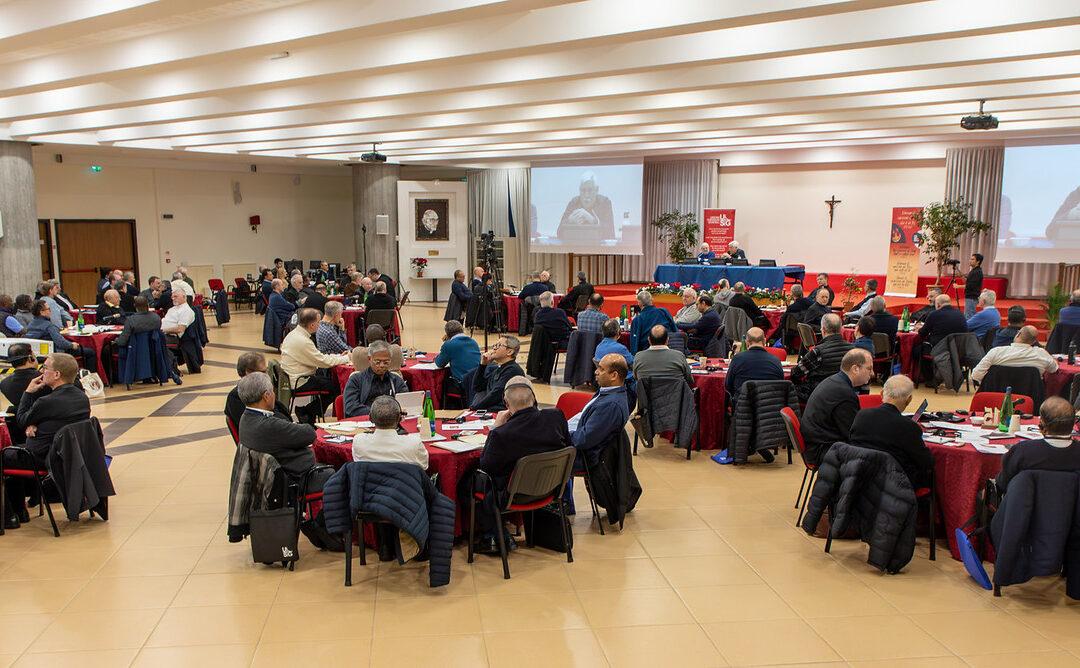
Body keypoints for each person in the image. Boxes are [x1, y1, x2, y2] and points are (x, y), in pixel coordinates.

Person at [474, 381, 570, 552]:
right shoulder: (556, 417)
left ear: (506, 404)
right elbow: (568, 445)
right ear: (534, 399)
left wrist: (496, 427)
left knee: (468, 483)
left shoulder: (502, 434)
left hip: (514, 496)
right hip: (552, 489)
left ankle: (495, 536)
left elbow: (486, 466)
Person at [5, 353, 90, 529]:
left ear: (57, 374)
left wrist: (28, 392)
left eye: (45, 368)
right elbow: (56, 419)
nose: (41, 372)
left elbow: (21, 419)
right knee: (14, 451)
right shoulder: (82, 398)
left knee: (5, 453)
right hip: (69, 453)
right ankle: (20, 510)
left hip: (44, 458)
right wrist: (35, 423)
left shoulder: (46, 401)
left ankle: (12, 515)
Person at [236, 372, 331, 495]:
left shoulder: (245, 418)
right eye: (273, 390)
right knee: (340, 474)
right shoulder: (270, 425)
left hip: (266, 480)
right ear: (266, 396)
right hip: (293, 481)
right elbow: (309, 433)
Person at [849, 374, 933, 489]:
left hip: (860, 478)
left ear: (882, 393)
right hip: (896, 486)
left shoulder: (861, 415)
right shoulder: (909, 427)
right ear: (909, 400)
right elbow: (926, 462)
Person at [801, 348, 874, 465]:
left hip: (817, 444)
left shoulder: (835, 381)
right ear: (855, 369)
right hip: (822, 450)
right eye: (869, 369)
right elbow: (852, 434)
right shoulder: (844, 393)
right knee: (880, 458)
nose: (872, 373)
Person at [995, 397, 1080, 494]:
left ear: (1041, 426)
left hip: (1024, 507)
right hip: (1071, 507)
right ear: (1073, 424)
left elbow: (1002, 484)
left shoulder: (1023, 451)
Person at [280, 308, 351, 421]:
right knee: (335, 388)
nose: (320, 324)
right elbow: (323, 362)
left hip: (295, 375)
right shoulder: (303, 341)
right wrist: (347, 358)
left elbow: (318, 357)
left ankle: (308, 413)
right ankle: (307, 412)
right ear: (312, 325)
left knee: (326, 380)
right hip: (300, 380)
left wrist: (339, 357)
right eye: (319, 322)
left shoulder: (294, 334)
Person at [569, 353, 630, 466]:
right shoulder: (608, 391)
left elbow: (584, 439)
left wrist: (560, 435)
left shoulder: (611, 406)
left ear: (614, 376)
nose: (596, 372)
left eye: (601, 369)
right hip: (577, 439)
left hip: (583, 456)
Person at [352, 396, 429, 468]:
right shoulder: (413, 444)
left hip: (368, 482)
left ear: (370, 418)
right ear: (399, 419)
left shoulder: (359, 441)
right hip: (403, 482)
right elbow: (424, 466)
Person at [791, 314, 853, 403]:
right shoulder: (853, 349)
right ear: (841, 329)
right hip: (845, 394)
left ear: (823, 330)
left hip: (817, 395)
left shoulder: (817, 351)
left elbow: (797, 373)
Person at [24, 299, 97, 372]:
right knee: (90, 352)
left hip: (38, 355)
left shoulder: (30, 325)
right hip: (56, 354)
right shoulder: (49, 326)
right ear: (42, 312)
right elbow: (61, 343)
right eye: (48, 309)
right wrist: (72, 345)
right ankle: (91, 377)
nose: (50, 311)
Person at [225, 352, 290, 430]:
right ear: (248, 373)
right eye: (262, 372)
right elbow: (254, 427)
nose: (267, 375)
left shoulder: (260, 389)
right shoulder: (236, 397)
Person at [971, 325, 1059, 382]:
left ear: (1018, 334)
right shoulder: (1041, 354)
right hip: (1030, 399)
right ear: (1034, 341)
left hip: (998, 398)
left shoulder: (996, 352)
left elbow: (976, 375)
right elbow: (1054, 369)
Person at [343, 341, 409, 417]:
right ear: (369, 359)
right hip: (366, 420)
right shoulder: (356, 380)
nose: (382, 365)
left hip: (391, 422)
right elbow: (351, 408)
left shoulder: (396, 380)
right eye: (377, 362)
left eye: (386, 362)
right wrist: (381, 412)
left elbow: (405, 405)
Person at [725, 326, 784, 406]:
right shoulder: (776, 361)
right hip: (769, 408)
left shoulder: (737, 359)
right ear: (765, 341)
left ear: (747, 342)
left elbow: (728, 386)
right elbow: (781, 386)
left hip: (743, 408)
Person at [468, 336, 525, 411]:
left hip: (503, 413)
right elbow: (477, 387)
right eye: (494, 345)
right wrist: (483, 365)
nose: (494, 348)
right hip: (492, 411)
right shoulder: (499, 369)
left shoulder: (513, 370)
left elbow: (496, 394)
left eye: (498, 345)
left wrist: (474, 408)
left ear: (510, 352)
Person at [557, 171, 615, 241]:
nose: (586, 195)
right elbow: (559, 233)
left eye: (590, 190)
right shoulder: (574, 203)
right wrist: (569, 221)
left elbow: (611, 234)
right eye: (583, 191)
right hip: (576, 248)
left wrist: (593, 221)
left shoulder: (605, 203)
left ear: (597, 190)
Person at [1, 343, 38, 445]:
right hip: (42, 432)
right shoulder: (43, 380)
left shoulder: (4, 384)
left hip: (17, 435)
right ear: (31, 358)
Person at [434, 319, 481, 384]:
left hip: (462, 383)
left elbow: (439, 363)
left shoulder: (449, 344)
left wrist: (447, 343)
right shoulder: (473, 342)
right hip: (476, 381)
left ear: (447, 334)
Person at [594, 318, 635, 386]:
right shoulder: (621, 348)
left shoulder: (598, 347)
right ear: (618, 332)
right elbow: (633, 364)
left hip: (605, 380)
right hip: (624, 381)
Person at [964, 253, 984, 318]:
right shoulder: (974, 270)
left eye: (972, 259)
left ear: (978, 261)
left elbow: (971, 285)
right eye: (970, 259)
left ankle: (970, 328)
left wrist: (958, 286)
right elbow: (968, 282)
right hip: (970, 296)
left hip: (972, 297)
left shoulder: (977, 272)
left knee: (969, 316)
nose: (970, 260)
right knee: (968, 314)